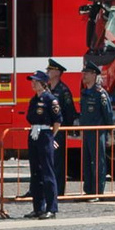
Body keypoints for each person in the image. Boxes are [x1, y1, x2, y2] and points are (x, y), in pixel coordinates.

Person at [24, 62, 68, 220]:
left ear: (43, 83)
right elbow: (30, 118)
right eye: (32, 81)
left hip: (45, 134)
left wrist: (52, 137)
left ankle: (51, 208)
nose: (33, 83)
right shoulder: (33, 100)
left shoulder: (50, 99)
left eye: (35, 81)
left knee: (48, 173)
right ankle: (38, 207)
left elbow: (57, 120)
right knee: (35, 173)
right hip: (34, 134)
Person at [77, 61, 115, 197]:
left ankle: (98, 191)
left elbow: (108, 114)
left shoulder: (100, 94)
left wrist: (109, 133)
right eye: (84, 73)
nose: (84, 75)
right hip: (87, 132)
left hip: (98, 132)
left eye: (87, 73)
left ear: (94, 75)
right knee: (86, 162)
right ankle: (88, 190)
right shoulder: (84, 93)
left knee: (98, 162)